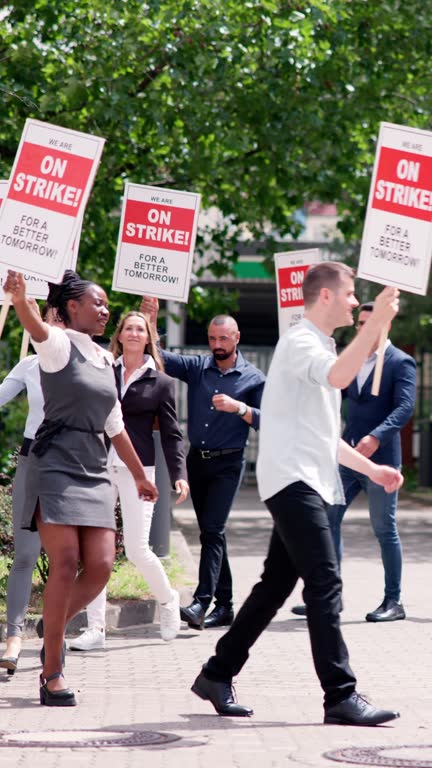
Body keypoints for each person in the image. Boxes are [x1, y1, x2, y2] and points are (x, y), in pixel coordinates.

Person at [191, 262, 403, 726]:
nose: (354, 302)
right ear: (325, 296)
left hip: (308, 479)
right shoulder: (302, 341)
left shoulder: (319, 345)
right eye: (350, 295)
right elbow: (340, 378)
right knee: (325, 584)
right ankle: (340, 696)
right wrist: (378, 323)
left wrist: (373, 469)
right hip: (294, 482)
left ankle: (216, 672)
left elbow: (322, 436)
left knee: (274, 587)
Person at [3, 269, 158, 707]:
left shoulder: (105, 360)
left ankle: (53, 625)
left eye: (108, 304)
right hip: (54, 464)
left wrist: (142, 475)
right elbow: (34, 324)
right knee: (67, 561)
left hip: (93, 467)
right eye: (99, 303)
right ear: (73, 307)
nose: (106, 310)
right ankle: (52, 672)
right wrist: (19, 300)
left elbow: (116, 426)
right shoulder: (57, 344)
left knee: (103, 565)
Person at [141, 297, 266, 630]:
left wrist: (238, 408)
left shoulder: (253, 378)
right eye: (212, 339)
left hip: (229, 464)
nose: (217, 345)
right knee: (214, 533)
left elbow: (267, 421)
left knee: (212, 531)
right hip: (198, 461)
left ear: (236, 338)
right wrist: (150, 323)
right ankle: (225, 606)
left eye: (223, 339)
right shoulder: (199, 366)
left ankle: (201, 602)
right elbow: (160, 358)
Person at [68, 311, 189, 650]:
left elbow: (171, 435)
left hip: (140, 473)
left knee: (137, 549)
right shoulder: (104, 370)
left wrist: (179, 475)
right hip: (97, 467)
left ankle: (167, 600)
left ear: (148, 337)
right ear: (119, 336)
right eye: (128, 329)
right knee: (95, 552)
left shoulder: (161, 383)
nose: (134, 333)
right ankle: (96, 629)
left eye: (140, 329)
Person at [292, 301, 416, 622]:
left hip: (382, 462)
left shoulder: (400, 362)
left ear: (383, 324)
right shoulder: (350, 361)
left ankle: (393, 601)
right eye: (359, 324)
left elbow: (404, 408)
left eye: (368, 323)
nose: (361, 329)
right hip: (346, 459)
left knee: (383, 529)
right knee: (328, 521)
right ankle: (329, 596)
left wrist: (377, 436)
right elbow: (332, 396)